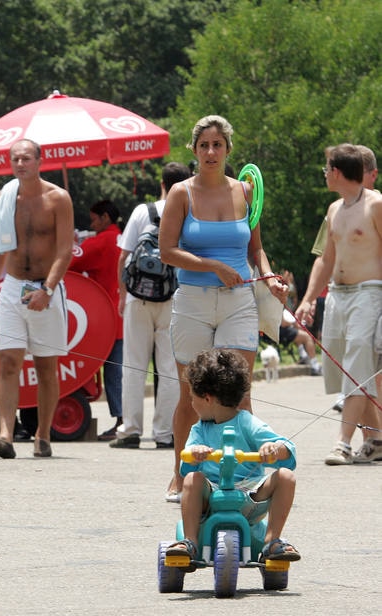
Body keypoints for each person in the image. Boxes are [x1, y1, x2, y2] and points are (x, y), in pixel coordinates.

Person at [159, 115, 287, 499]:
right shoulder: (181, 193)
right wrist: (212, 265)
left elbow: (255, 248)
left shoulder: (246, 191)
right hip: (194, 301)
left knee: (239, 393)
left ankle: (242, 475)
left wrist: (268, 277)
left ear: (229, 149)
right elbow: (167, 251)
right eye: (204, 146)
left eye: (218, 145)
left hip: (238, 302)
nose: (211, 152)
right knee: (190, 394)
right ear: (194, 150)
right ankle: (182, 473)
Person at [0, 139, 74, 459]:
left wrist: (47, 290)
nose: (20, 164)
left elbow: (65, 250)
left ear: (39, 160)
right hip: (12, 287)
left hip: (44, 288)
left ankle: (43, 433)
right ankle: (5, 434)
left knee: (46, 367)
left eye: (26, 158)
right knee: (8, 362)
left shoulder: (57, 198)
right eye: (15, 159)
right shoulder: (4, 198)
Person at [164, 349, 300, 565]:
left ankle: (272, 541)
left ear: (207, 398)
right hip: (212, 496)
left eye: (192, 397)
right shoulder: (200, 430)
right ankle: (190, 541)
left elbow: (288, 449)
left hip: (249, 496)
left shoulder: (246, 422)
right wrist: (194, 454)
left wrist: (272, 448)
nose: (191, 403)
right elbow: (185, 465)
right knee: (192, 479)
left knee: (286, 476)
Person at [295, 143, 382, 465]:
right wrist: (307, 300)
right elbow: (326, 259)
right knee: (343, 367)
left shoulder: (376, 205)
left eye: (326, 169)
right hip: (338, 294)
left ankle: (342, 443)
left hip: (369, 293)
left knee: (357, 365)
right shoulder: (335, 209)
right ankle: (375, 438)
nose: (324, 175)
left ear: (337, 171)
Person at [108, 162, 192, 452]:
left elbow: (124, 257)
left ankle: (130, 430)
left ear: (161, 184)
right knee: (169, 367)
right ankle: (165, 433)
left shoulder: (143, 212)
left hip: (138, 297)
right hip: (174, 298)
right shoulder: (189, 211)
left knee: (133, 364)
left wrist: (122, 295)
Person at [69, 200, 124, 440]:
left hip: (104, 316)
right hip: (124, 313)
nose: (91, 225)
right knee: (119, 371)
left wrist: (69, 243)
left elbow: (69, 262)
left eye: (94, 219)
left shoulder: (100, 242)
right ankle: (124, 420)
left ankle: (121, 420)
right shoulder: (123, 238)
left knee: (111, 371)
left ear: (105, 218)